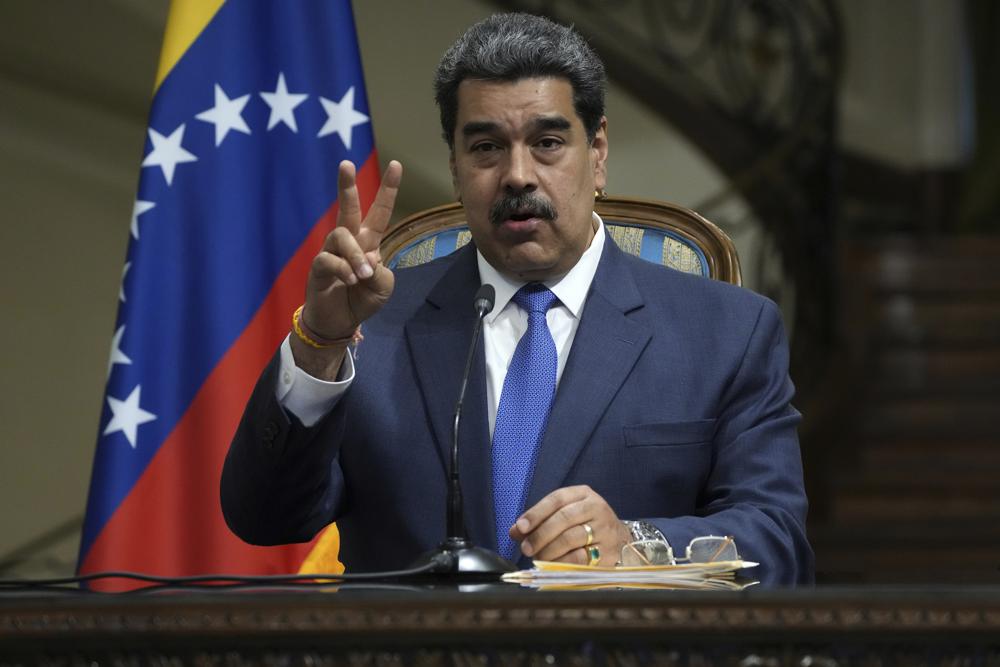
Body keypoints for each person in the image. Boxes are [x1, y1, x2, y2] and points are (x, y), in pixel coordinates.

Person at [221, 13, 813, 585]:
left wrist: (638, 545)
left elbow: (777, 543)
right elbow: (265, 519)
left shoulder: (726, 331)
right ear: (455, 167)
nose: (517, 176)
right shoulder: (371, 327)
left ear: (598, 152)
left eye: (548, 142)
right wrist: (320, 344)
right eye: (486, 149)